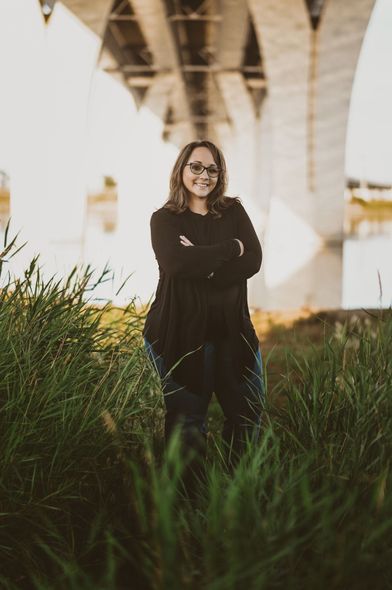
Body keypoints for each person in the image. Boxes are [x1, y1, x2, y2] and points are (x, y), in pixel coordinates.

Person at [142, 139, 265, 487]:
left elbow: (253, 260)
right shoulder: (164, 220)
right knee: (187, 424)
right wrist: (230, 249)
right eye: (196, 166)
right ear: (181, 170)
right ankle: (187, 506)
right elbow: (176, 263)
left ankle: (237, 494)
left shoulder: (234, 212)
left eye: (212, 169)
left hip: (234, 332)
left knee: (247, 417)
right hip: (181, 334)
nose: (204, 175)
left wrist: (204, 261)